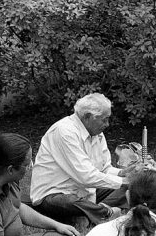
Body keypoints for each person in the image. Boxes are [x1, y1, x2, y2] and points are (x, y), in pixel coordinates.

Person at [30, 93, 133, 227]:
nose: (107, 124)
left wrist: (123, 173)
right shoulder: (65, 131)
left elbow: (104, 169)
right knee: (69, 202)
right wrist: (124, 181)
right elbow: (86, 177)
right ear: (87, 117)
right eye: (104, 119)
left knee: (135, 185)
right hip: (55, 194)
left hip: (87, 192)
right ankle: (105, 212)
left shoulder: (96, 132)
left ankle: (89, 214)